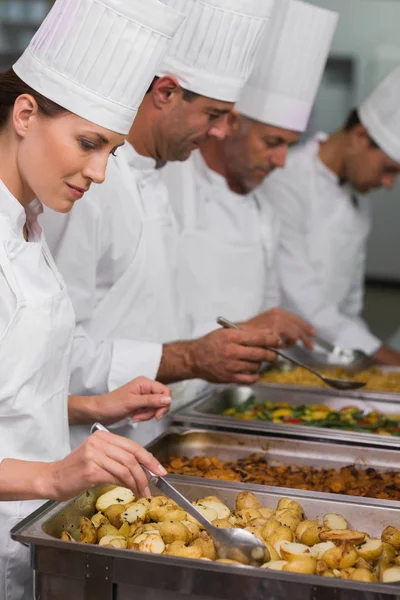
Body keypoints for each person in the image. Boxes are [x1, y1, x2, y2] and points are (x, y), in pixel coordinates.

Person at [0, 0, 185, 597]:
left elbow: (15, 397)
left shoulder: (28, 222)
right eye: (87, 143)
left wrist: (91, 406)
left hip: (26, 535)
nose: (98, 172)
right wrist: (55, 475)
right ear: (25, 113)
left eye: (111, 151)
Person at [42, 0, 281, 448]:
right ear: (166, 93)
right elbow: (52, 351)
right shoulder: (90, 187)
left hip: (146, 435)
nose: (221, 132)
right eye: (213, 114)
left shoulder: (155, 176)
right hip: (82, 444)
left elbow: (151, 311)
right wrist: (188, 357)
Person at [163, 0, 338, 349]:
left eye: (290, 145)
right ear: (232, 123)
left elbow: (267, 309)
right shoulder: (170, 184)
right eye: (272, 142)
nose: (281, 160)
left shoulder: (264, 212)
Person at [264, 65, 400, 365]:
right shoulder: (287, 178)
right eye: (388, 170)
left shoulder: (358, 199)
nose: (388, 184)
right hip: (282, 360)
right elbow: (299, 297)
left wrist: (365, 357)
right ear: (361, 136)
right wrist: (382, 355)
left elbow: (350, 305)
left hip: (331, 358)